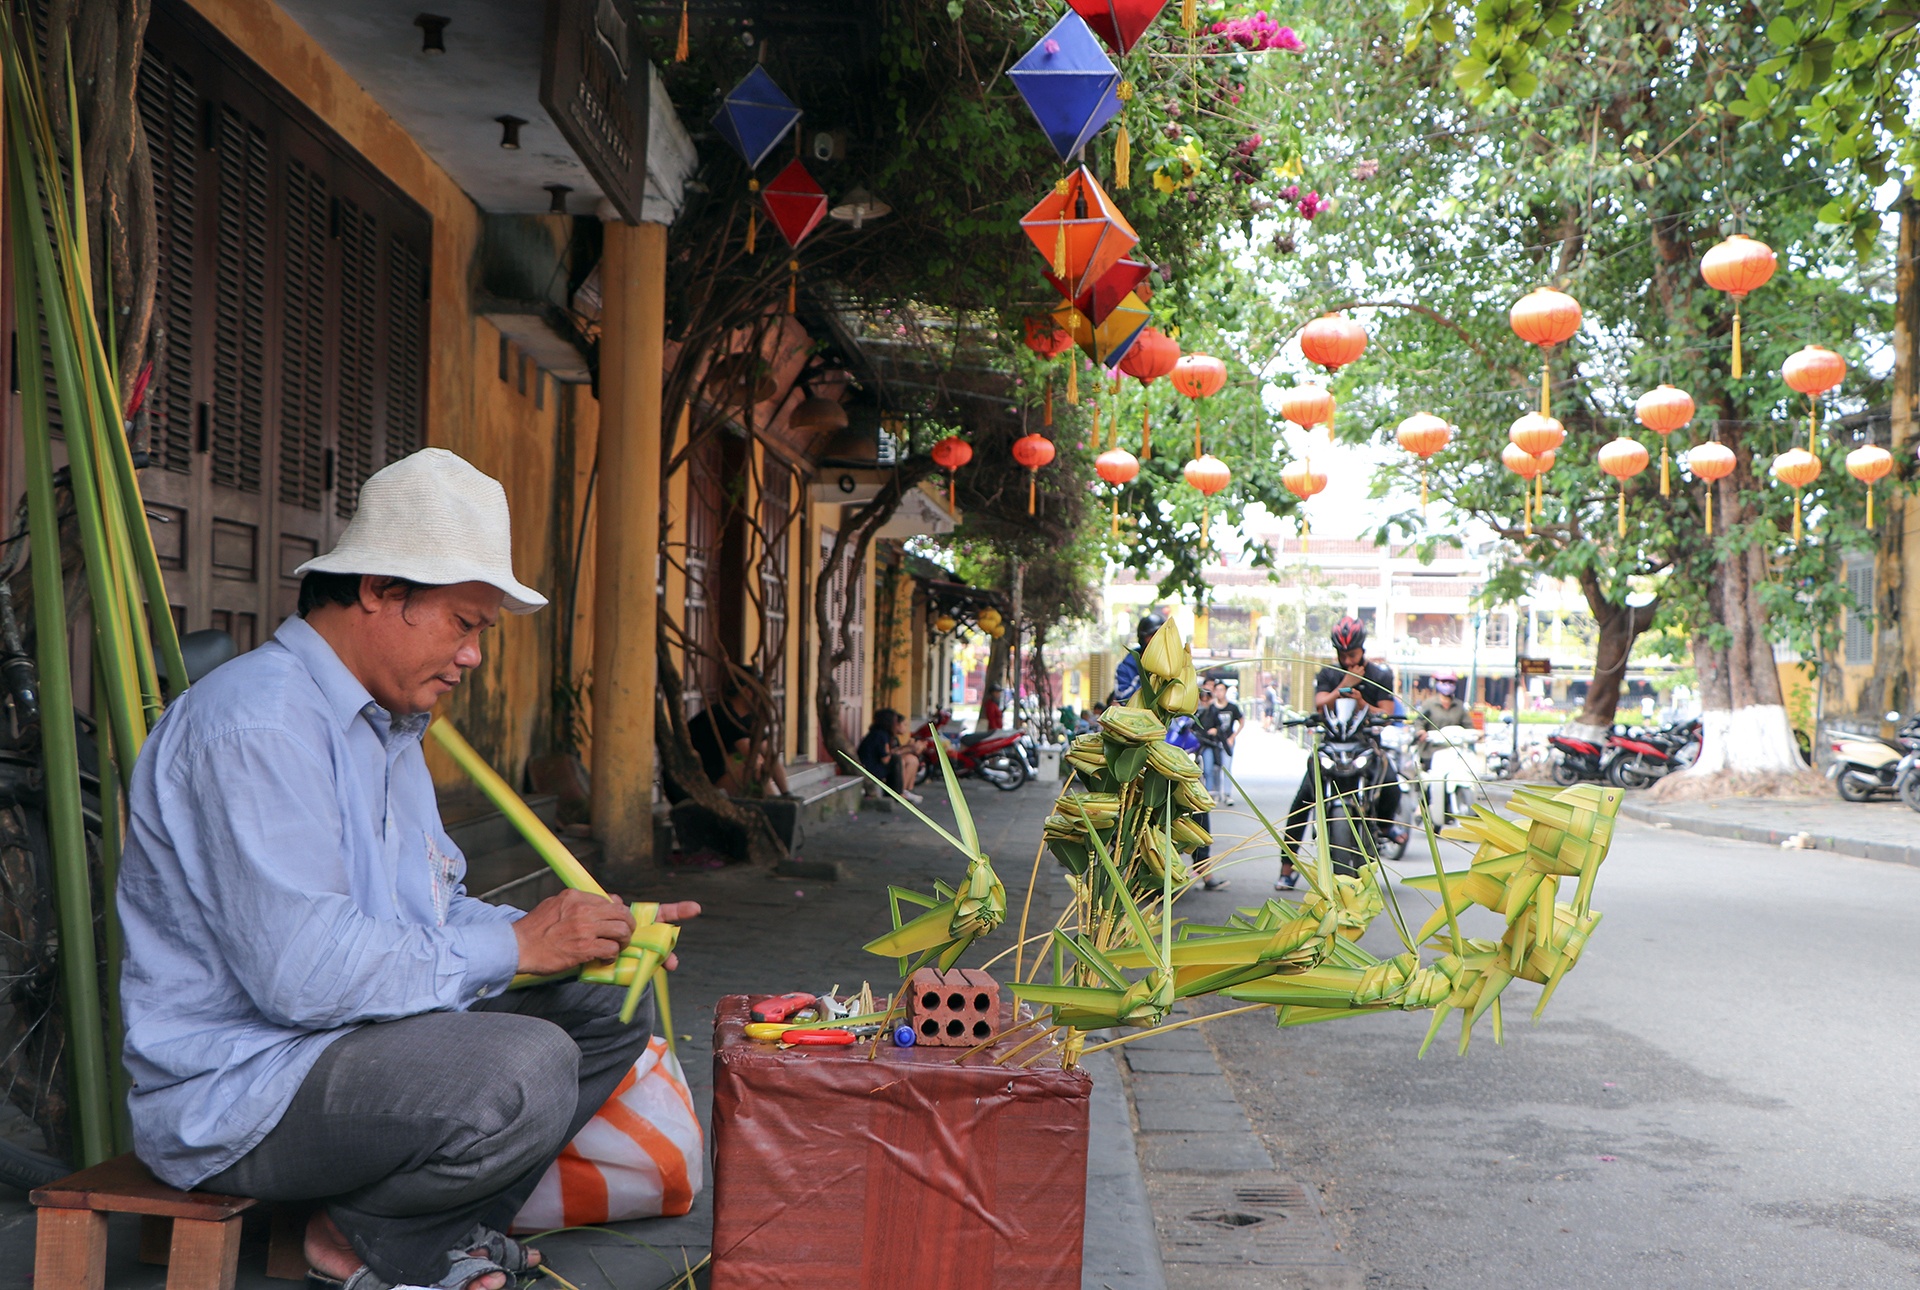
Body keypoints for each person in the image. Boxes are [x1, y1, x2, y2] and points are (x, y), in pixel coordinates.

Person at [116, 450, 702, 1290]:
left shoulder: (384, 728)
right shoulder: (259, 727)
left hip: (348, 1048)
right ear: (381, 592)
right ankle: (395, 1241)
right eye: (463, 624)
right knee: (524, 1067)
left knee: (609, 1000)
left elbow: (428, 912)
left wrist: (578, 936)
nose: (470, 656)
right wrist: (518, 949)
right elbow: (304, 978)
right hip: (244, 1092)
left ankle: (391, 1228)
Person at [1277, 615, 1403, 890]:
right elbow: (1321, 704)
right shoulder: (1328, 674)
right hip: (1331, 746)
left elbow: (1388, 713)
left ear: (1363, 649)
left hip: (1366, 746)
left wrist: (1362, 703)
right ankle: (1287, 868)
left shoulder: (1381, 675)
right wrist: (1345, 682)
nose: (1347, 659)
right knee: (1304, 799)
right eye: (1342, 655)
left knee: (1393, 785)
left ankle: (1385, 827)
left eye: (1353, 654)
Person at [688, 671, 791, 797]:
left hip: (719, 774)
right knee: (753, 769)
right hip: (696, 780)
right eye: (760, 690)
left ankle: (781, 803)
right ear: (746, 690)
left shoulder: (749, 718)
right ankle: (775, 811)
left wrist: (787, 794)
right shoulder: (723, 714)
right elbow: (750, 754)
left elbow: (770, 755)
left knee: (753, 765)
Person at [857, 708, 925, 804]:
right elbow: (886, 760)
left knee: (900, 759)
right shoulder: (880, 736)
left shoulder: (881, 734)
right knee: (896, 760)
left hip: (873, 766)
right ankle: (897, 793)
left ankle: (901, 791)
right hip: (871, 769)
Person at [1196, 680, 1245, 806]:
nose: (1219, 692)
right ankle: (1215, 793)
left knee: (1226, 768)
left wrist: (1233, 736)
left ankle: (1227, 794)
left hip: (1227, 741)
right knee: (1215, 768)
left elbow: (1241, 720)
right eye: (1217, 690)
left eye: (1222, 690)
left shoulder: (1232, 707)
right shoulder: (1211, 708)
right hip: (1213, 743)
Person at [1414, 671, 1474, 769]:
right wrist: (1421, 732)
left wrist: (1476, 734)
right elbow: (1419, 722)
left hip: (1455, 751)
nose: (1448, 685)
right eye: (1444, 681)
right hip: (1432, 752)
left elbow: (1468, 726)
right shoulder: (1428, 704)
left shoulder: (1459, 706)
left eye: (1451, 682)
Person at [1111, 611, 1164, 703]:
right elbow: (1123, 697)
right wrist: (1145, 676)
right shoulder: (1126, 667)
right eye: (1153, 635)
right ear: (1143, 637)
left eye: (1162, 635)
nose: (1158, 640)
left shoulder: (1172, 666)